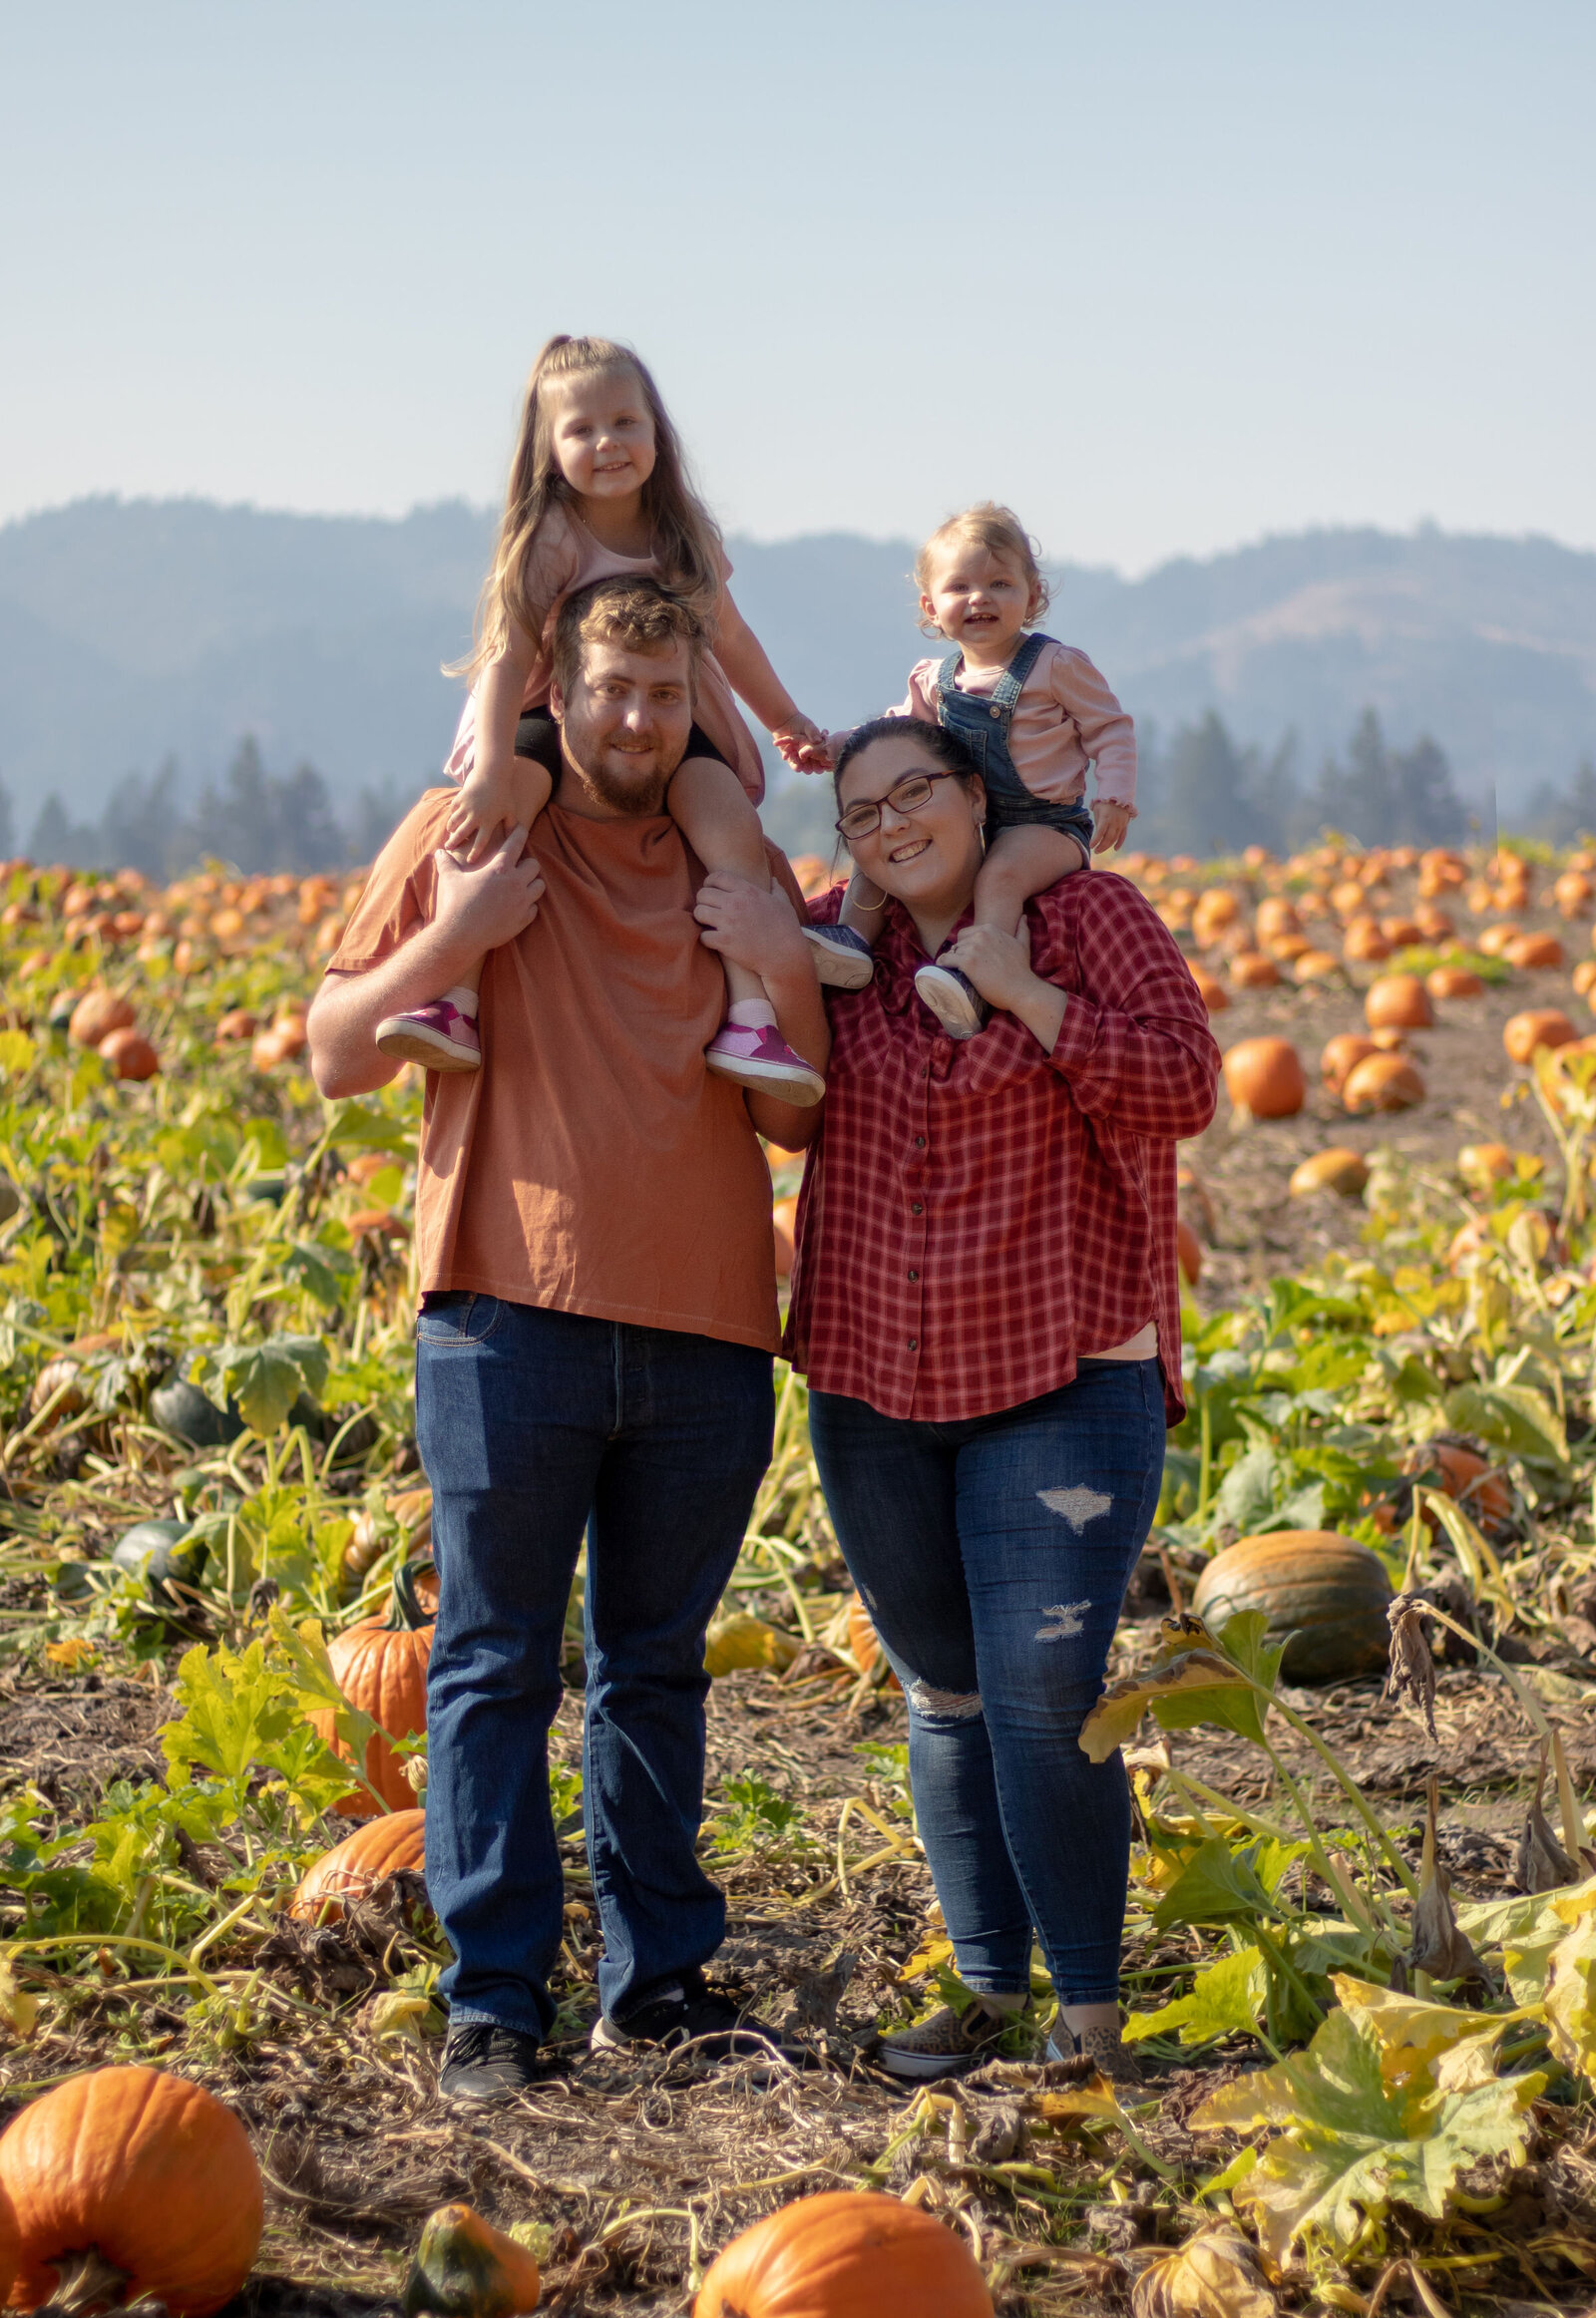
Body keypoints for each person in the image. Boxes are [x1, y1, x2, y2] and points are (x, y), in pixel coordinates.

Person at [306, 577, 830, 2103]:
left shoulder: (733, 865)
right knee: (487, 1665)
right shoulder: (471, 830)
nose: (636, 721)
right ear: (560, 686)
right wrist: (454, 936)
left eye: (665, 698)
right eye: (611, 690)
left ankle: (658, 1982)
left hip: (707, 1329)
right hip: (504, 1316)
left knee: (656, 1668)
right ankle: (494, 1997)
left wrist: (785, 960)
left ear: (693, 709)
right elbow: (336, 1049)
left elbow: (795, 1112)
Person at [706, 716, 1218, 2084]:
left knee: (1046, 1693)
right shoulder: (841, 953)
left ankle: (1089, 2015)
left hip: (1061, 1377)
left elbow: (1186, 1084)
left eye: (914, 792)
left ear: (977, 797)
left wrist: (1028, 996)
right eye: (862, 810)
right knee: (945, 1695)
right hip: (876, 1384)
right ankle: (989, 1991)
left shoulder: (1086, 920)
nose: (889, 824)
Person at [375, 332, 830, 1106]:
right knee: (502, 808)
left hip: (667, 717)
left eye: (625, 422)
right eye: (580, 429)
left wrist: (786, 719)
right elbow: (507, 662)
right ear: (548, 450)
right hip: (552, 713)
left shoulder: (683, 532)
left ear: (658, 432)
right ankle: (456, 995)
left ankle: (751, 1014)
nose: (607, 443)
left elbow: (734, 640)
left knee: (727, 824)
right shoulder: (547, 539)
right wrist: (488, 769)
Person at [806, 504, 1138, 1042]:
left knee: (1000, 877)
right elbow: (898, 734)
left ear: (1032, 596)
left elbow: (1111, 729)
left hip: (1045, 825)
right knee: (877, 853)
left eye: (1000, 584)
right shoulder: (934, 681)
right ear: (931, 607)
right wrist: (835, 746)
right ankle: (852, 941)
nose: (979, 598)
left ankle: (974, 980)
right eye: (959, 587)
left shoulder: (1056, 666)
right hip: (972, 821)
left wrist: (1115, 795)